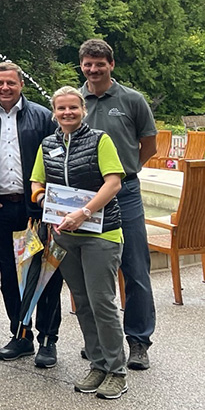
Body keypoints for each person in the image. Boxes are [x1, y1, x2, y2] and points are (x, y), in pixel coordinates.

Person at [31, 87, 128, 399]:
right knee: (82, 301)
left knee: (102, 302)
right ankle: (98, 363)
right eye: (61, 109)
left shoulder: (100, 140)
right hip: (66, 234)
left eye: (73, 107)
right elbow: (37, 181)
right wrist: (47, 200)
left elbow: (113, 181)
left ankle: (116, 371)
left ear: (82, 109)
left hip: (101, 233)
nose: (67, 113)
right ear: (54, 112)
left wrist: (84, 212)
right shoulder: (48, 144)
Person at [0, 61, 61, 366]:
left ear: (21, 84)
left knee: (45, 274)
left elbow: (56, 157)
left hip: (34, 208)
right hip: (1, 208)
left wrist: (49, 198)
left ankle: (48, 340)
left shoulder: (42, 116)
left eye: (10, 82)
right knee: (10, 275)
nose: (4, 88)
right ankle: (20, 335)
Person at [79, 38, 158, 372]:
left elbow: (149, 145)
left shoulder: (131, 100)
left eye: (100, 63)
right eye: (88, 64)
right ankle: (100, 342)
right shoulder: (74, 99)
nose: (94, 69)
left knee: (135, 268)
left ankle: (138, 340)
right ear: (81, 65)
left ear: (111, 64)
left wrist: (126, 172)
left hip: (123, 194)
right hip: (85, 196)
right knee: (92, 274)